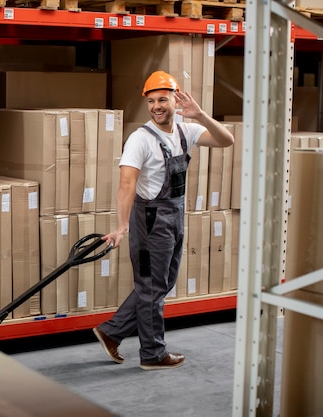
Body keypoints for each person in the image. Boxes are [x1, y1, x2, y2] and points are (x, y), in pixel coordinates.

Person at [93, 70, 234, 370]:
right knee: (152, 287)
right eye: (151, 100)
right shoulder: (139, 140)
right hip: (149, 223)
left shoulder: (186, 130)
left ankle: (112, 331)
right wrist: (121, 227)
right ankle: (153, 354)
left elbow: (227, 140)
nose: (157, 106)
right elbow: (126, 185)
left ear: (175, 100)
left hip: (175, 217)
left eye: (163, 99)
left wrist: (202, 115)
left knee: (161, 283)